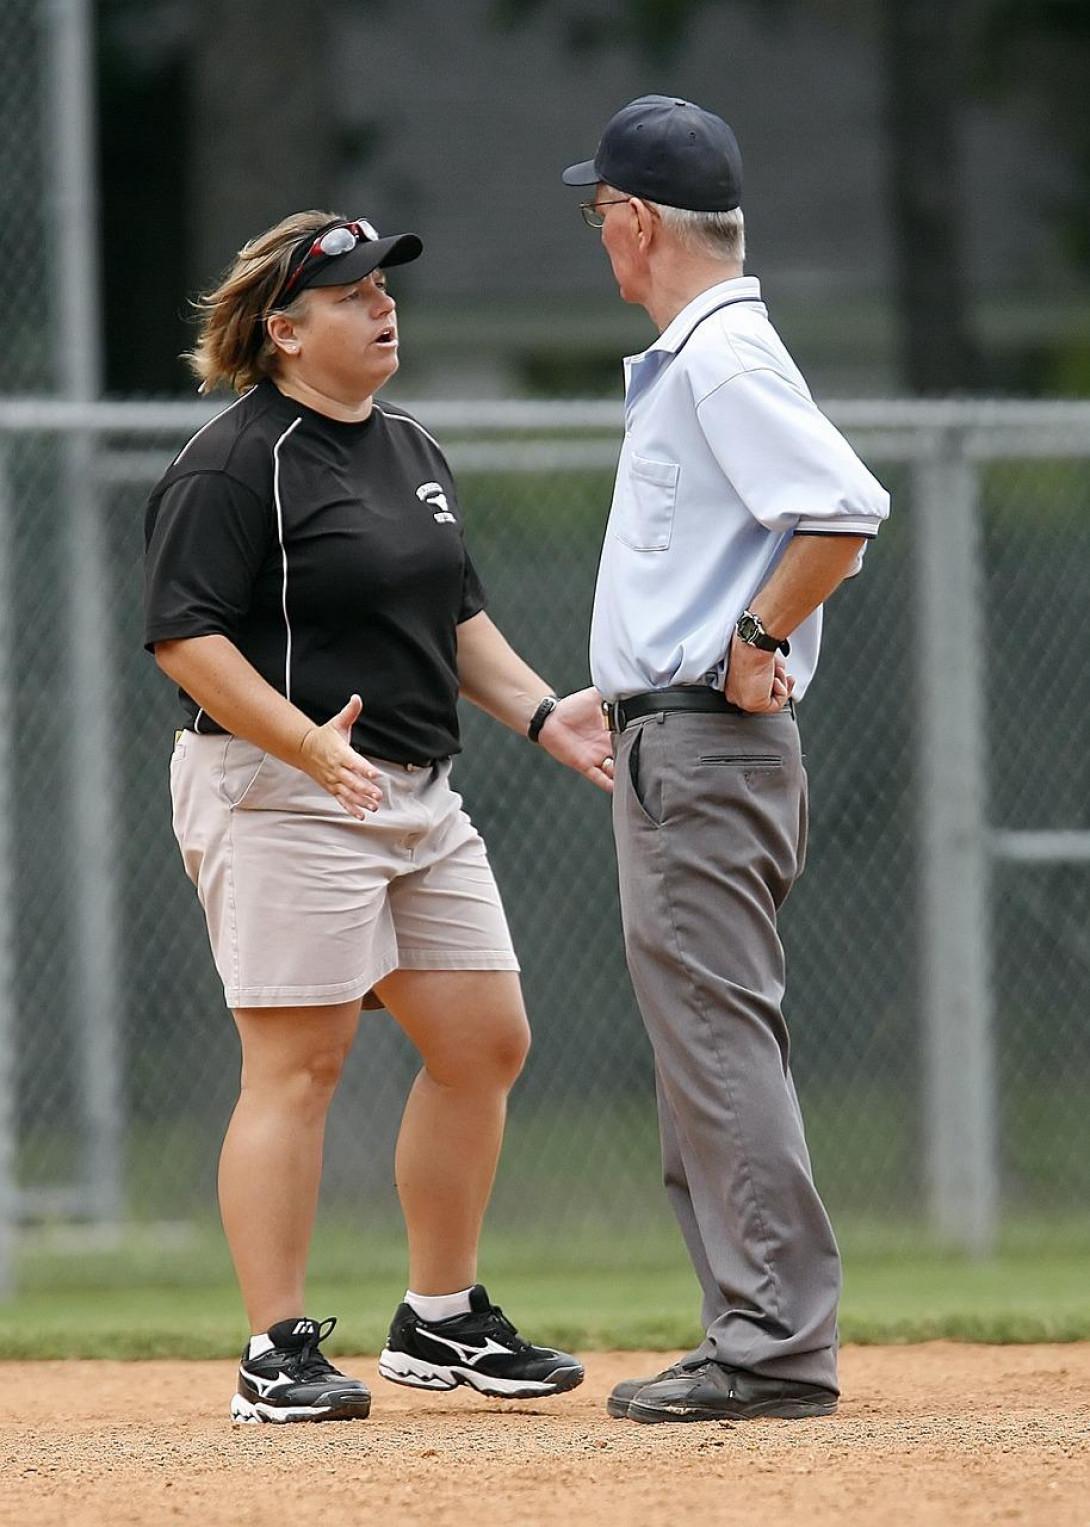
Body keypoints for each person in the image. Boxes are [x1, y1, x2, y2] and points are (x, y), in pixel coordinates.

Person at [143, 210, 615, 1423]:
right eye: (351, 292)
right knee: (299, 1063)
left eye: (383, 286)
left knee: (484, 1041)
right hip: (282, 787)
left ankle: (440, 1320)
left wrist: (543, 712)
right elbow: (185, 638)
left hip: (413, 789)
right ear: (285, 332)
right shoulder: (235, 460)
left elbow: (454, 621)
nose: (381, 304)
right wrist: (301, 741)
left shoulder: (408, 443)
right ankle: (273, 1353)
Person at [559, 96, 891, 1423]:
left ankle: (768, 1341)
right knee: (701, 1037)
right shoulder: (705, 354)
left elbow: (841, 505)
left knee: (712, 1031)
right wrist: (631, 677)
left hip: (706, 749)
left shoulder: (717, 356)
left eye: (601, 216)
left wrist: (755, 632)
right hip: (680, 735)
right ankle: (750, 1328)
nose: (601, 237)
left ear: (636, 224)